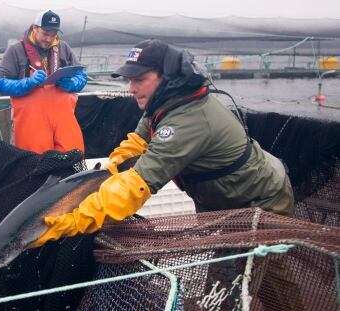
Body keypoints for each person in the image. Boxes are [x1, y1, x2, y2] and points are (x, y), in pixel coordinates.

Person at [33, 39, 295, 246]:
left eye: (140, 79)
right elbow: (137, 143)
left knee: (269, 277)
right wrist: (108, 172)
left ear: (167, 77)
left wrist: (67, 222)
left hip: (259, 199)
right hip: (220, 200)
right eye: (129, 80)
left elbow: (135, 187)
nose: (131, 88)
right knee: (225, 274)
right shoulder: (164, 103)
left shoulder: (188, 122)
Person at [0, 9, 88, 153]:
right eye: (45, 34)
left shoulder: (64, 47)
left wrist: (73, 83)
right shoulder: (15, 50)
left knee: (74, 155)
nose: (49, 39)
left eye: (53, 35)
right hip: (32, 123)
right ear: (35, 28)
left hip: (64, 119)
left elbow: (81, 75)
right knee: (33, 161)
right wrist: (27, 83)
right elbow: (0, 83)